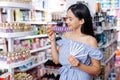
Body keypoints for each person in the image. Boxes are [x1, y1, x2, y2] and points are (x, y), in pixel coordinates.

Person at [47, 2, 103, 80]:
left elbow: (97, 70)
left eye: (70, 19)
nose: (66, 21)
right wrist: (52, 41)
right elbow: (56, 61)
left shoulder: (90, 41)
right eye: (67, 18)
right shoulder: (66, 35)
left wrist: (79, 65)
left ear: (81, 21)